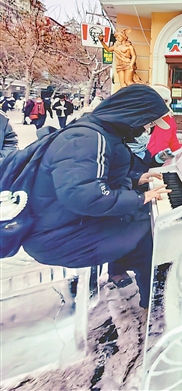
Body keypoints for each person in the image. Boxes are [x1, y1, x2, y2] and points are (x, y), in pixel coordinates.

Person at [22, 84, 171, 310]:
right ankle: (156, 305)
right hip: (58, 237)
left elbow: (97, 177)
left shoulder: (100, 132)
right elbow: (84, 196)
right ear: (134, 115)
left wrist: (135, 180)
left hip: (66, 223)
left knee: (143, 221)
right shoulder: (87, 137)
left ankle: (138, 284)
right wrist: (139, 199)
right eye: (147, 123)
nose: (147, 130)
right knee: (151, 235)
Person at [146, 85, 182, 159]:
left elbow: (173, 143)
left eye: (165, 101)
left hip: (159, 161)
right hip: (139, 161)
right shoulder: (139, 117)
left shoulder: (169, 119)